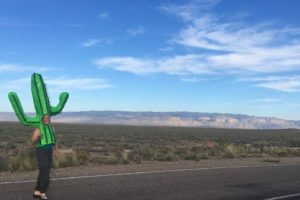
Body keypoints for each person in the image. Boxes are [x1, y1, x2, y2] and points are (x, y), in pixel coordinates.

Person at [32, 114, 58, 200]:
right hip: (41, 151)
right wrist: (37, 137)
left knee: (44, 170)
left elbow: (55, 139)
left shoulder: (52, 128)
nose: (47, 119)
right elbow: (33, 141)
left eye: (48, 118)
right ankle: (42, 191)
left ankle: (37, 191)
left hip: (49, 151)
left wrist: (56, 150)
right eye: (45, 118)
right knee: (45, 170)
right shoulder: (38, 129)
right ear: (42, 119)